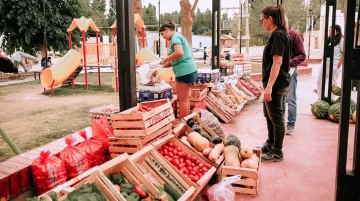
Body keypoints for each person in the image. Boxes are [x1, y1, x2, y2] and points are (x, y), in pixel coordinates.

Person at [259, 5, 291, 162]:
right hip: (274, 83)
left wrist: (270, 86)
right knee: (269, 115)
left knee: (276, 117)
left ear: (269, 19)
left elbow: (277, 62)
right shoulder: (279, 34)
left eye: (262, 20)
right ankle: (271, 143)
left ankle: (277, 152)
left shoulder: (278, 35)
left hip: (276, 84)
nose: (262, 23)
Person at [159, 20, 198, 119]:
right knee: (186, 99)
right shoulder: (178, 37)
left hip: (184, 72)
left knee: (182, 100)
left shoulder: (175, 38)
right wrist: (158, 65)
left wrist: (165, 59)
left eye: (163, 34)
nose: (163, 37)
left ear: (167, 30)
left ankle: (184, 124)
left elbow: (179, 53)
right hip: (189, 71)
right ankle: (188, 121)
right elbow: (173, 61)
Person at [282, 22, 306, 135]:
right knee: (280, 99)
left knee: (290, 99)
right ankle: (280, 125)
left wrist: (289, 63)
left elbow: (302, 54)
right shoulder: (277, 35)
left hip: (290, 71)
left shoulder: (295, 36)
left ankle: (291, 124)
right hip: (279, 72)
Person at [315, 25, 344, 100]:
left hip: (334, 65)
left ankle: (332, 100)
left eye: (332, 30)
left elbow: (344, 54)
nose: (330, 32)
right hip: (325, 64)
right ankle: (320, 99)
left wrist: (338, 66)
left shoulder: (341, 40)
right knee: (319, 81)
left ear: (337, 32)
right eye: (329, 30)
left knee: (332, 84)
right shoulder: (328, 40)